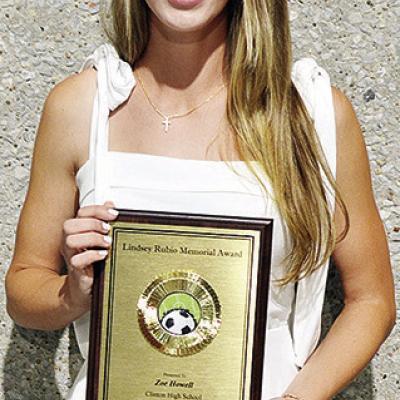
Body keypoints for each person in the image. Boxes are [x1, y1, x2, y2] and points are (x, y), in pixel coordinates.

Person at [4, 0, 396, 399]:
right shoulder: (81, 106)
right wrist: (71, 295)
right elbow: (23, 286)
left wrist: (297, 398)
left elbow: (372, 299)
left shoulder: (310, 113)